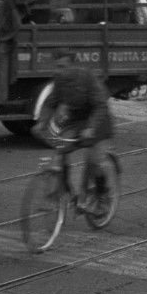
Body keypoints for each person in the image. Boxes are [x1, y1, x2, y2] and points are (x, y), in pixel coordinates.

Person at [33, 56, 116, 217]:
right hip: (77, 121)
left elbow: (100, 105)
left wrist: (91, 128)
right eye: (56, 66)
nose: (57, 71)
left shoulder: (87, 78)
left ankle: (102, 197)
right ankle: (66, 193)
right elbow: (51, 103)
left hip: (98, 122)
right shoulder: (59, 82)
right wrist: (41, 123)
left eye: (62, 66)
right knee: (60, 150)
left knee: (95, 160)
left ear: (73, 66)